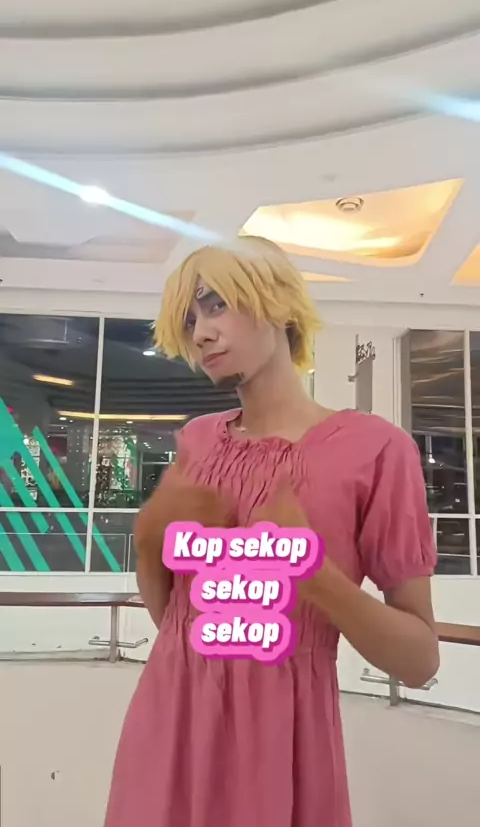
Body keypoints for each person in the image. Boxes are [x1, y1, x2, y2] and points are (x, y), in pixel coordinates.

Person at [105, 236, 439, 827]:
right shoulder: (198, 441)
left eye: (216, 305)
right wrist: (150, 541)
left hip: (280, 742)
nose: (201, 333)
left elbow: (418, 662)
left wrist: (313, 575)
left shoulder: (375, 450)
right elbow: (179, 621)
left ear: (279, 305)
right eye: (190, 320)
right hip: (166, 719)